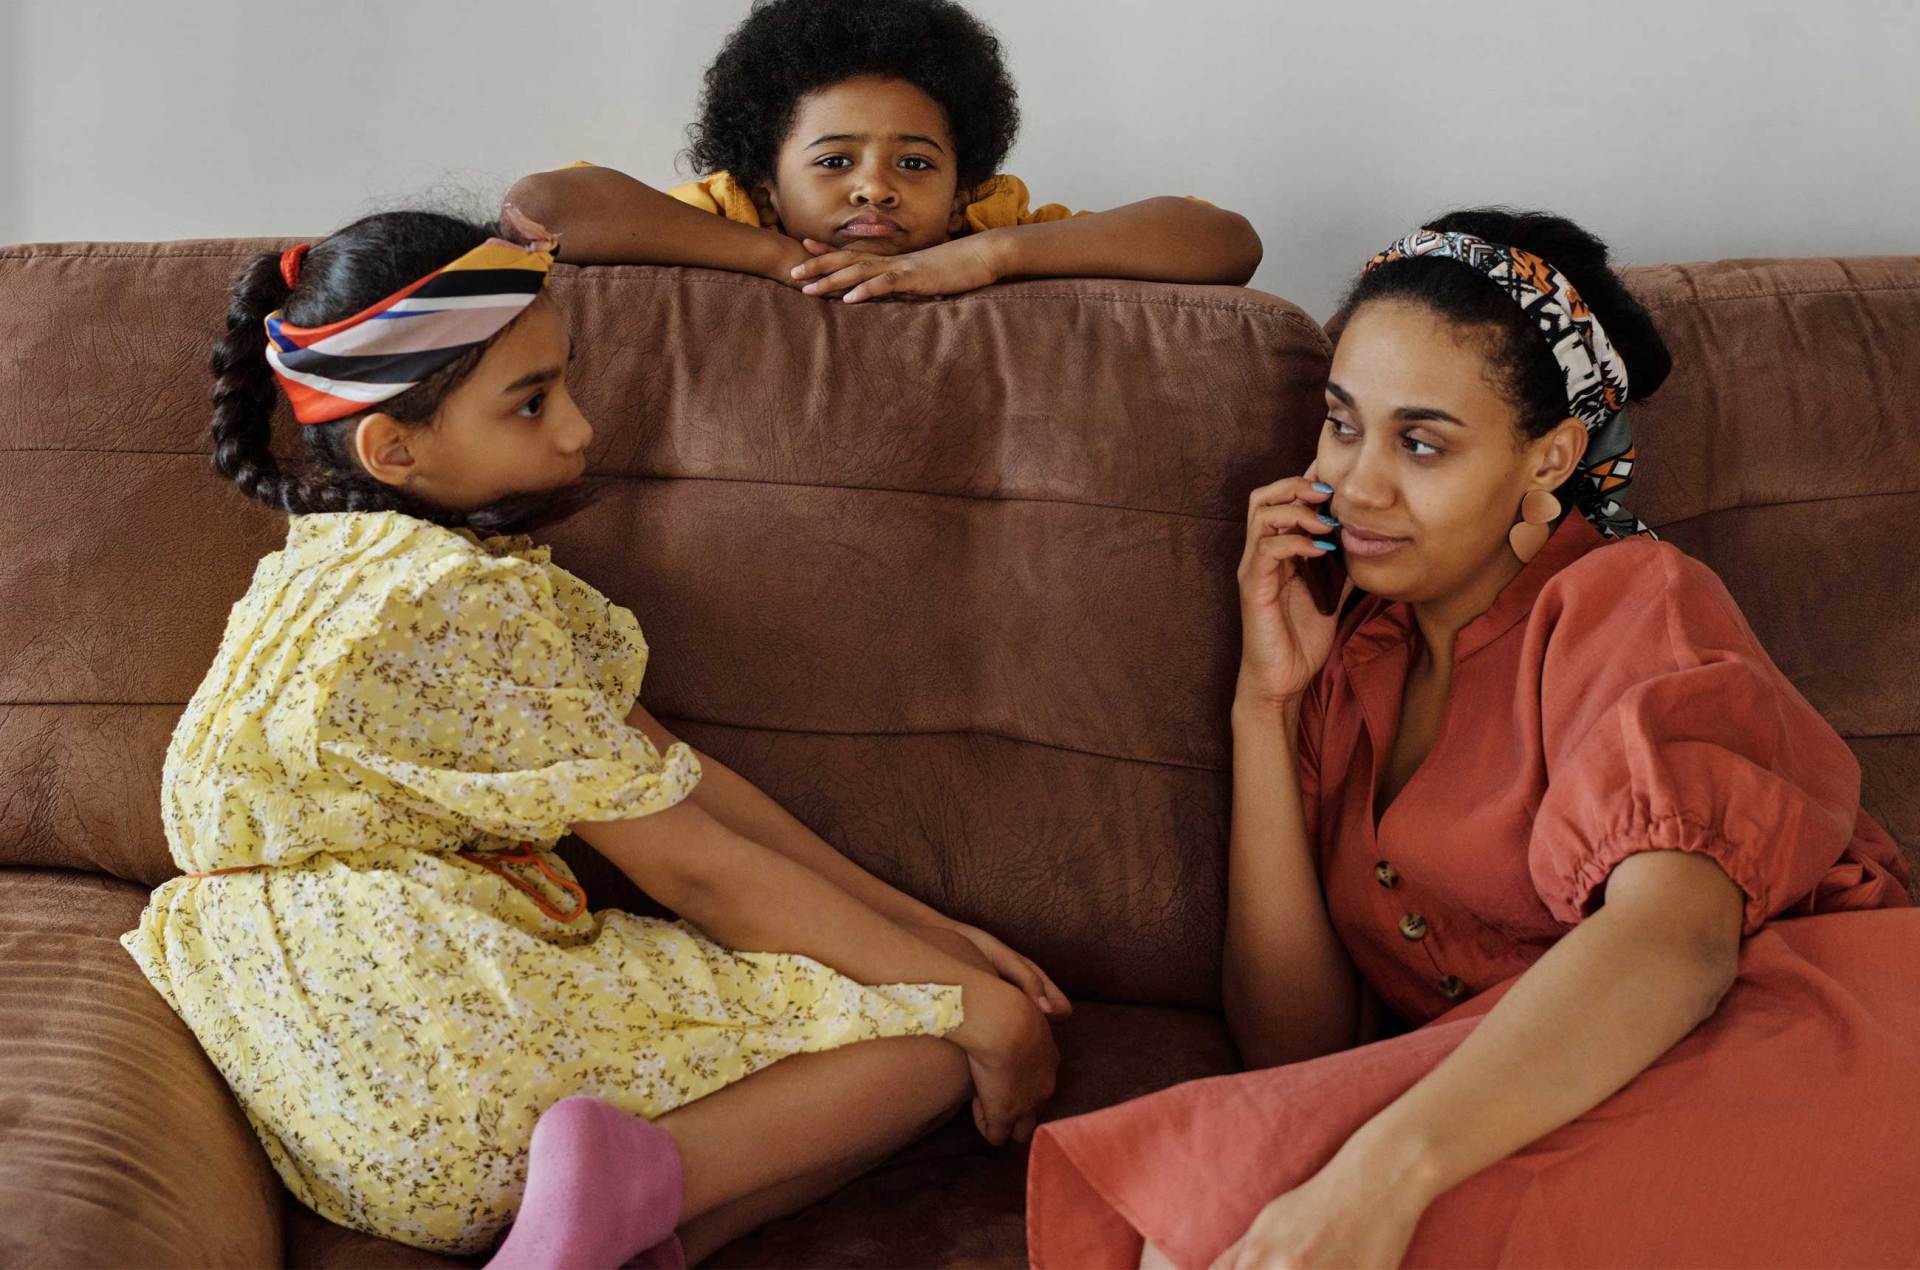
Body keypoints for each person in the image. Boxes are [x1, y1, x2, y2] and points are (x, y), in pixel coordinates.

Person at [121, 208, 1064, 1267]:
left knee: (926, 996)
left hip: (324, 1097)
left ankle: (615, 1239)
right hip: (445, 1036)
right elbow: (700, 868)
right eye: (531, 404)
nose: (578, 431)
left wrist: (929, 930)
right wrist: (978, 1007)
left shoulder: (323, 565)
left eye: (564, 383)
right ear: (396, 446)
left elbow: (683, 783)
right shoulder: (459, 599)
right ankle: (619, 1183)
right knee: (930, 1044)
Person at [1024, 209, 1920, 1269]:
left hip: (1789, 1057)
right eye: (1341, 424)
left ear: (1549, 456)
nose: (1355, 484)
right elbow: (1296, 1045)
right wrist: (1263, 705)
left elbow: (1676, 944)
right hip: (1544, 1102)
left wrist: (1377, 1175)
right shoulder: (1349, 658)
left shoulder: (1630, 602)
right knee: (1211, 1212)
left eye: (1421, 442)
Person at [503, 0, 1261, 303]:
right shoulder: (732, 214)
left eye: (916, 162)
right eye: (834, 161)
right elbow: (540, 209)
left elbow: (1227, 242)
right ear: (766, 180)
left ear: (965, 186)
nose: (875, 188)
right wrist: (776, 261)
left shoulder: (988, 223)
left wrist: (987, 255)